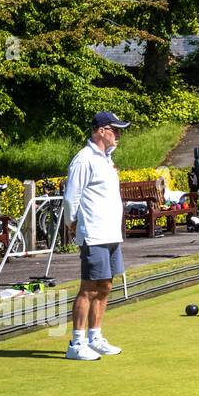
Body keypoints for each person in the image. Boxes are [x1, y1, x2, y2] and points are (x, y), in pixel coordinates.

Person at [62, 111, 131, 360]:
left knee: (105, 286)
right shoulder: (83, 159)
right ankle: (76, 344)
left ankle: (95, 337)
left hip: (111, 233)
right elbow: (71, 197)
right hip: (94, 233)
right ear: (101, 130)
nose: (119, 134)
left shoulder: (106, 159)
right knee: (89, 288)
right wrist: (71, 223)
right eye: (115, 129)